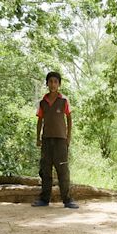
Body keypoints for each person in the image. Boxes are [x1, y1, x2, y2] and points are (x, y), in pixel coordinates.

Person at [33, 71, 77, 209]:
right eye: (50, 81)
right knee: (45, 170)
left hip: (60, 140)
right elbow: (40, 120)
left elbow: (69, 119)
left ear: (59, 84)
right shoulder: (43, 102)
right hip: (46, 140)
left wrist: (68, 137)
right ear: (47, 84)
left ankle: (67, 199)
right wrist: (38, 138)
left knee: (63, 170)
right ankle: (44, 199)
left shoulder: (63, 100)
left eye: (55, 82)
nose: (53, 84)